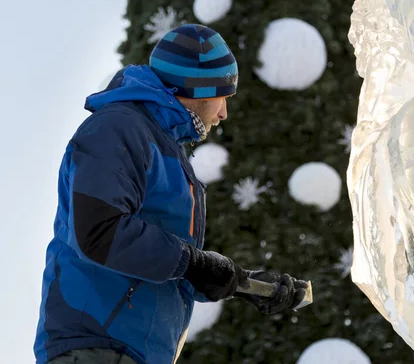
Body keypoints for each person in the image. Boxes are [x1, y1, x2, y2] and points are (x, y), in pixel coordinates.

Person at [34, 24, 308, 364]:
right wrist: (195, 263)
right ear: (197, 87)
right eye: (223, 95)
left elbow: (167, 264)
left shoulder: (167, 151)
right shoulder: (119, 128)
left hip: (137, 352)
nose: (224, 113)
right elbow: (100, 231)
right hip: (96, 347)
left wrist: (244, 284)